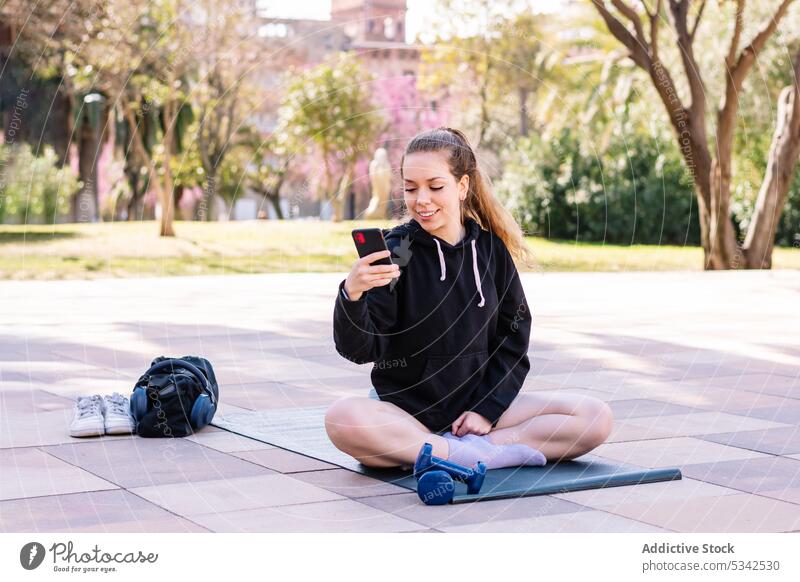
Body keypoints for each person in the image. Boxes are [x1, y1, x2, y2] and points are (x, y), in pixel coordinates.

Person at [327, 127, 613, 470]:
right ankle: (469, 455)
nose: (421, 200)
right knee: (343, 418)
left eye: (435, 187)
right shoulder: (396, 252)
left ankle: (452, 453)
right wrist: (352, 294)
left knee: (595, 417)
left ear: (462, 186)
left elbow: (513, 339)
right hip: (408, 415)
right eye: (410, 188)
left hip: (478, 415)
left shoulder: (491, 251)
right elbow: (361, 349)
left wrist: (486, 410)